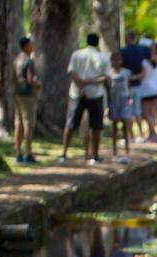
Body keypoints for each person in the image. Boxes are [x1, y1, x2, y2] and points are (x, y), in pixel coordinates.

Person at [61, 32, 108, 164]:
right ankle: (95, 155)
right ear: (97, 42)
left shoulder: (76, 55)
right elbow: (105, 77)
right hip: (95, 94)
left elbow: (71, 72)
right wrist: (89, 82)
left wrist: (81, 83)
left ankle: (63, 153)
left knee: (70, 123)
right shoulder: (102, 57)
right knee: (96, 126)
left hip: (76, 93)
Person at [12, 36, 40, 164]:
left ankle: (18, 153)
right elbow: (30, 79)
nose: (32, 46)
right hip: (28, 94)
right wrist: (37, 84)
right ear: (26, 46)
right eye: (30, 44)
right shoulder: (29, 61)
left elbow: (13, 78)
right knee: (28, 123)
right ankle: (28, 153)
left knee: (18, 123)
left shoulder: (16, 60)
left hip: (17, 93)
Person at [119, 30, 149, 142]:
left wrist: (129, 78)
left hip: (127, 87)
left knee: (128, 111)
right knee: (137, 111)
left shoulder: (123, 51)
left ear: (127, 37)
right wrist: (137, 77)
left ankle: (129, 136)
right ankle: (140, 135)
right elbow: (144, 69)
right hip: (137, 86)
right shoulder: (140, 51)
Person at [106, 51, 131, 163]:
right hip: (113, 101)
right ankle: (114, 150)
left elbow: (128, 87)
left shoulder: (126, 72)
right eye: (115, 60)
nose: (117, 62)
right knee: (115, 126)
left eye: (119, 60)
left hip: (124, 101)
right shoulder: (108, 73)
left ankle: (127, 149)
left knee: (125, 125)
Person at [138, 43, 157, 142]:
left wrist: (134, 77)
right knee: (153, 113)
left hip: (146, 91)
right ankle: (154, 134)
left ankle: (153, 132)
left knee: (147, 114)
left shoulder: (144, 62)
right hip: (156, 90)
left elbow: (142, 75)